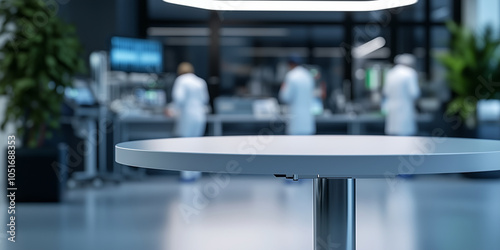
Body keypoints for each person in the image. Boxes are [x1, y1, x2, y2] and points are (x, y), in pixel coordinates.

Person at [171, 62, 209, 181]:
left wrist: (172, 109)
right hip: (200, 116)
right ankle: (196, 174)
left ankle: (186, 175)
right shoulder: (200, 81)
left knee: (185, 146)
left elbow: (178, 99)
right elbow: (205, 99)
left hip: (187, 116)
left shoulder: (181, 80)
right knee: (197, 145)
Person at [383, 54, 420, 136]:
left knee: (392, 139)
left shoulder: (390, 73)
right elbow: (414, 93)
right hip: (405, 108)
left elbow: (386, 91)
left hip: (392, 108)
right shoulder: (410, 73)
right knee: (406, 140)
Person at [279, 55, 316, 135]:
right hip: (308, 123)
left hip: (295, 123)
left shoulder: (291, 76)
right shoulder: (308, 76)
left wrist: (282, 87)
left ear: (290, 64)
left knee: (294, 146)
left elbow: (285, 97)